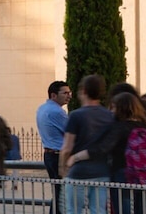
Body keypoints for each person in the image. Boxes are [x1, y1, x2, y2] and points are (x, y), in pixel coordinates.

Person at [60, 75, 113, 214]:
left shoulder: (76, 115)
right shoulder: (109, 116)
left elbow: (67, 147)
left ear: (83, 91)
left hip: (79, 172)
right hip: (102, 171)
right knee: (99, 210)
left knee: (73, 210)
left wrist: (63, 168)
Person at [37, 80, 72, 213]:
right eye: (65, 93)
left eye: (69, 92)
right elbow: (71, 131)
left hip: (50, 154)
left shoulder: (42, 108)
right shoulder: (57, 112)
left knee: (58, 192)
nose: (69, 96)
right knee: (62, 194)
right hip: (58, 156)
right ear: (53, 95)